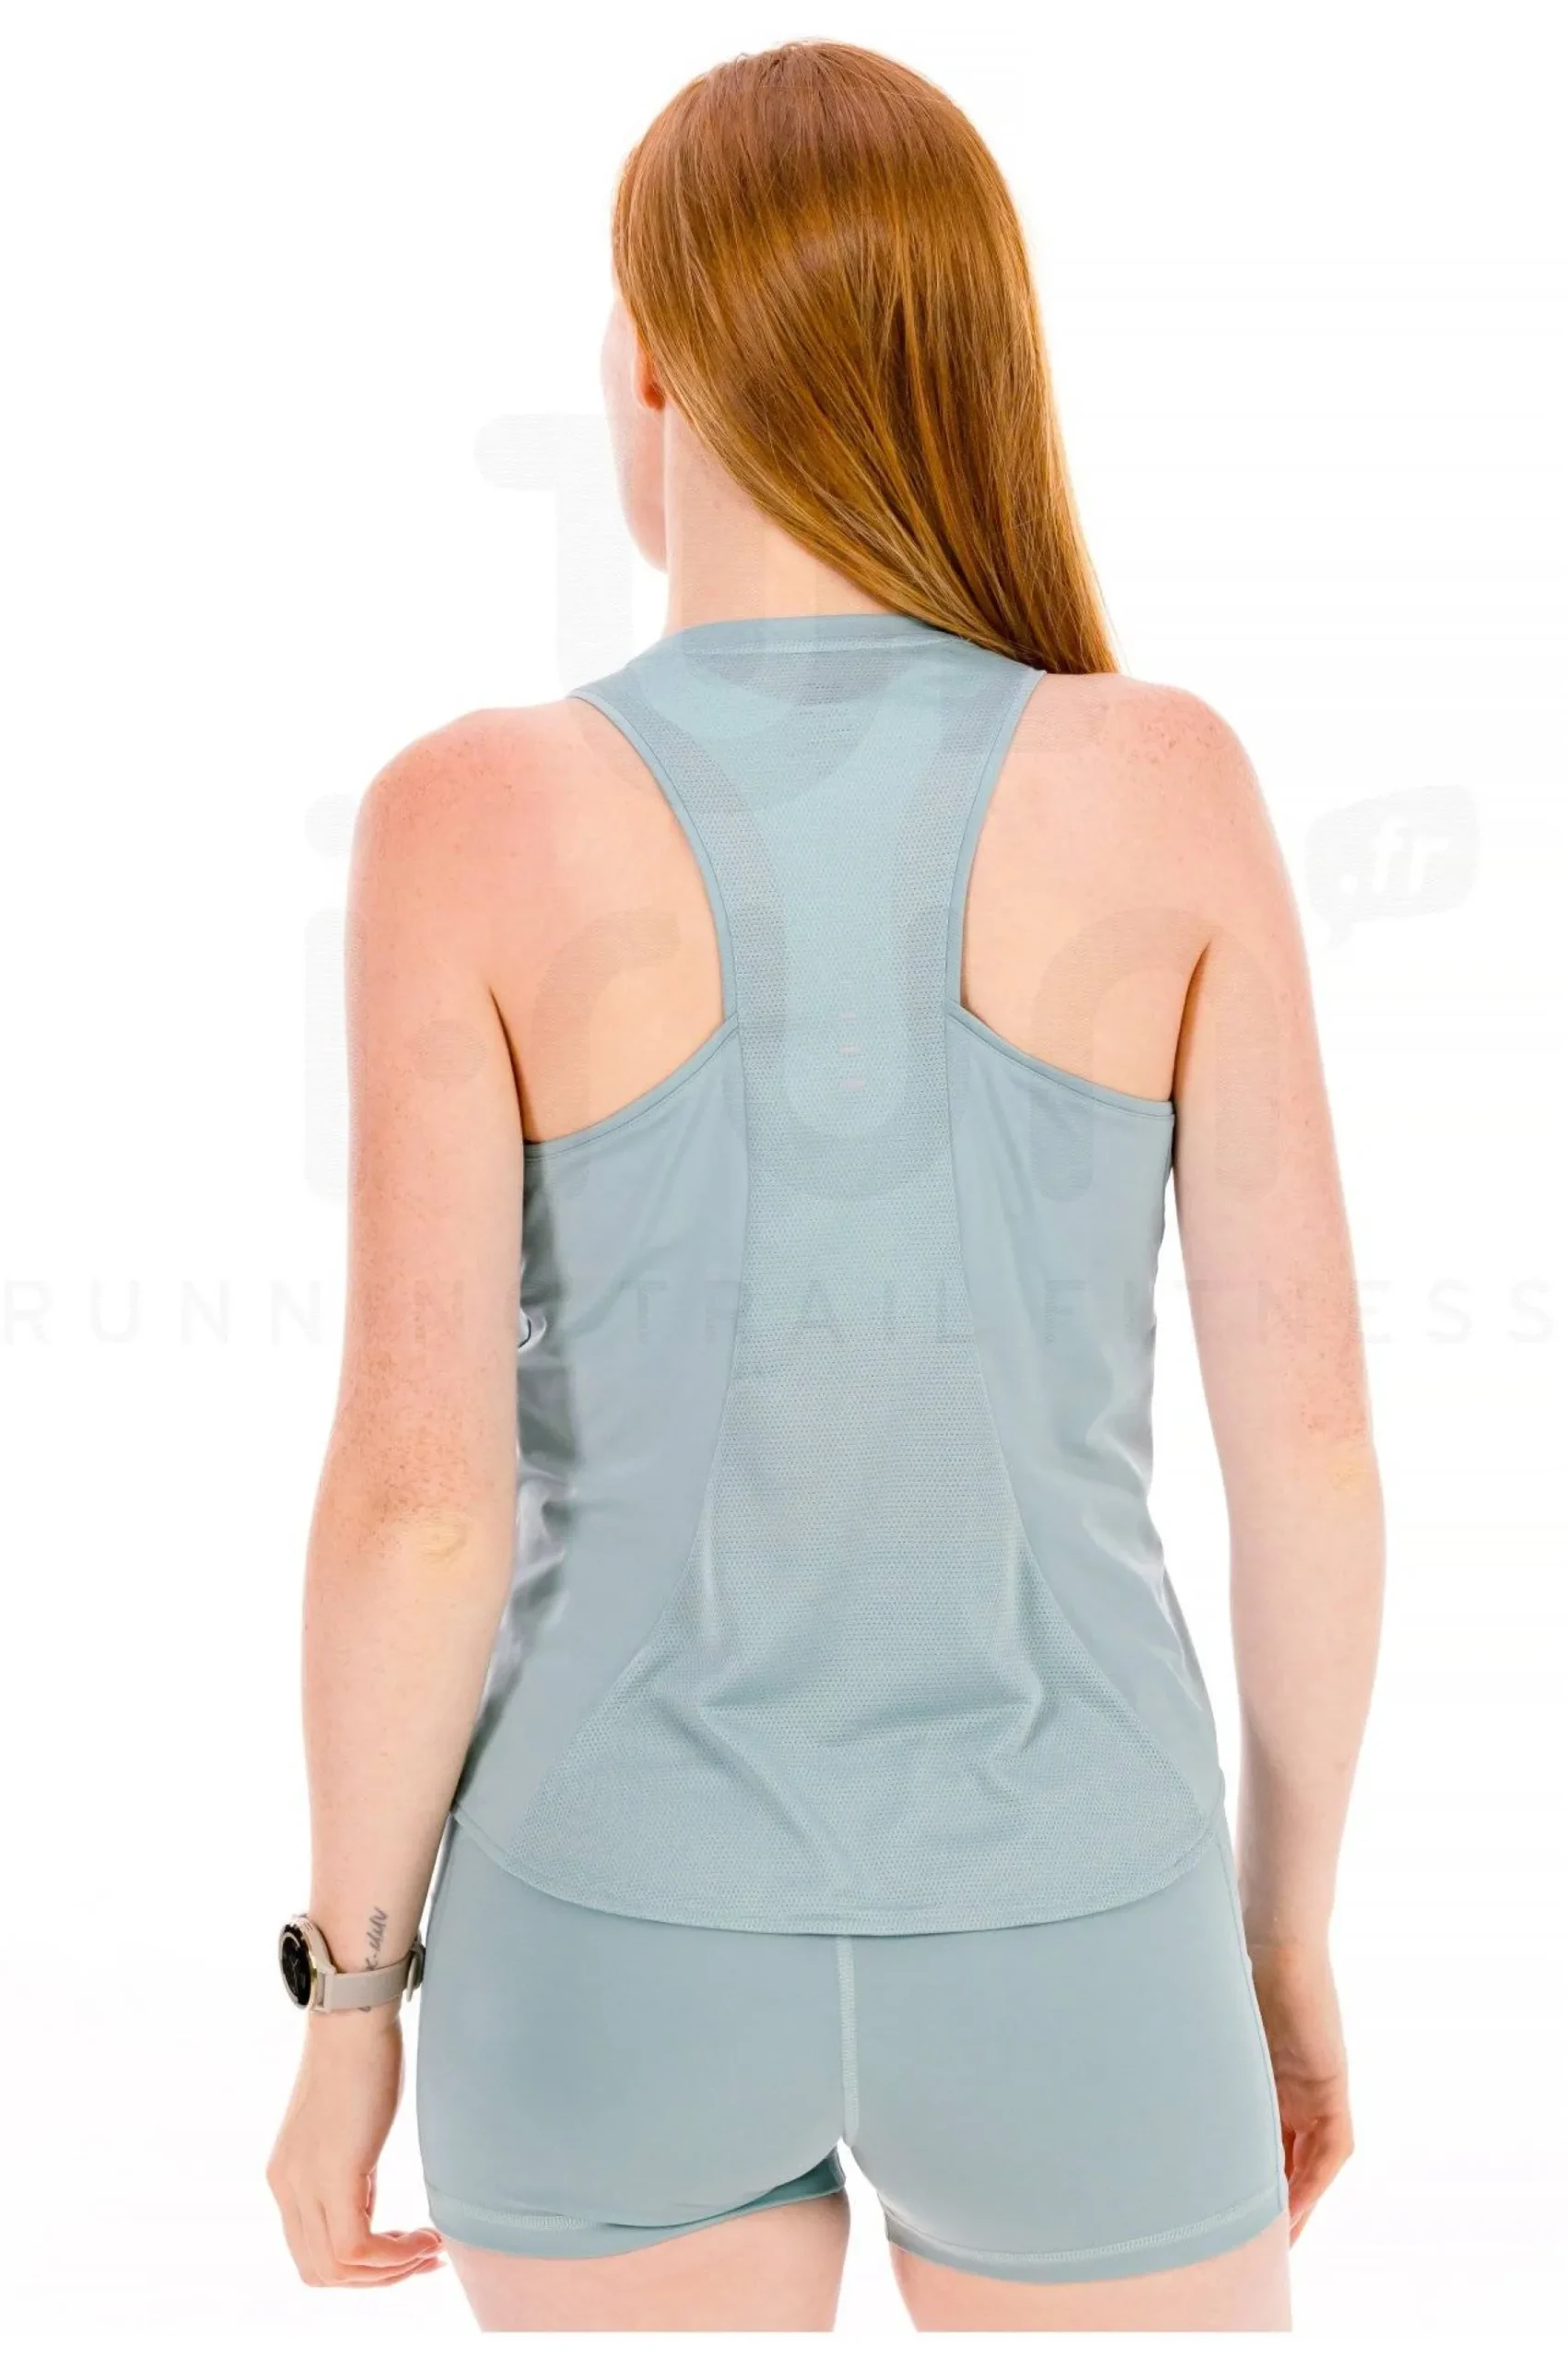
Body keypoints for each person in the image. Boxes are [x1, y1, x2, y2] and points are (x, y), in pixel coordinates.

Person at [266, 39, 1384, 2333]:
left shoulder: (466, 817)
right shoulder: (1161, 779)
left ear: (650, 361)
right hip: (1080, 1929)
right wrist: (1278, 1943)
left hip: (601, 1938)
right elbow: (1308, 1460)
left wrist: (347, 2002)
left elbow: (415, 1500)